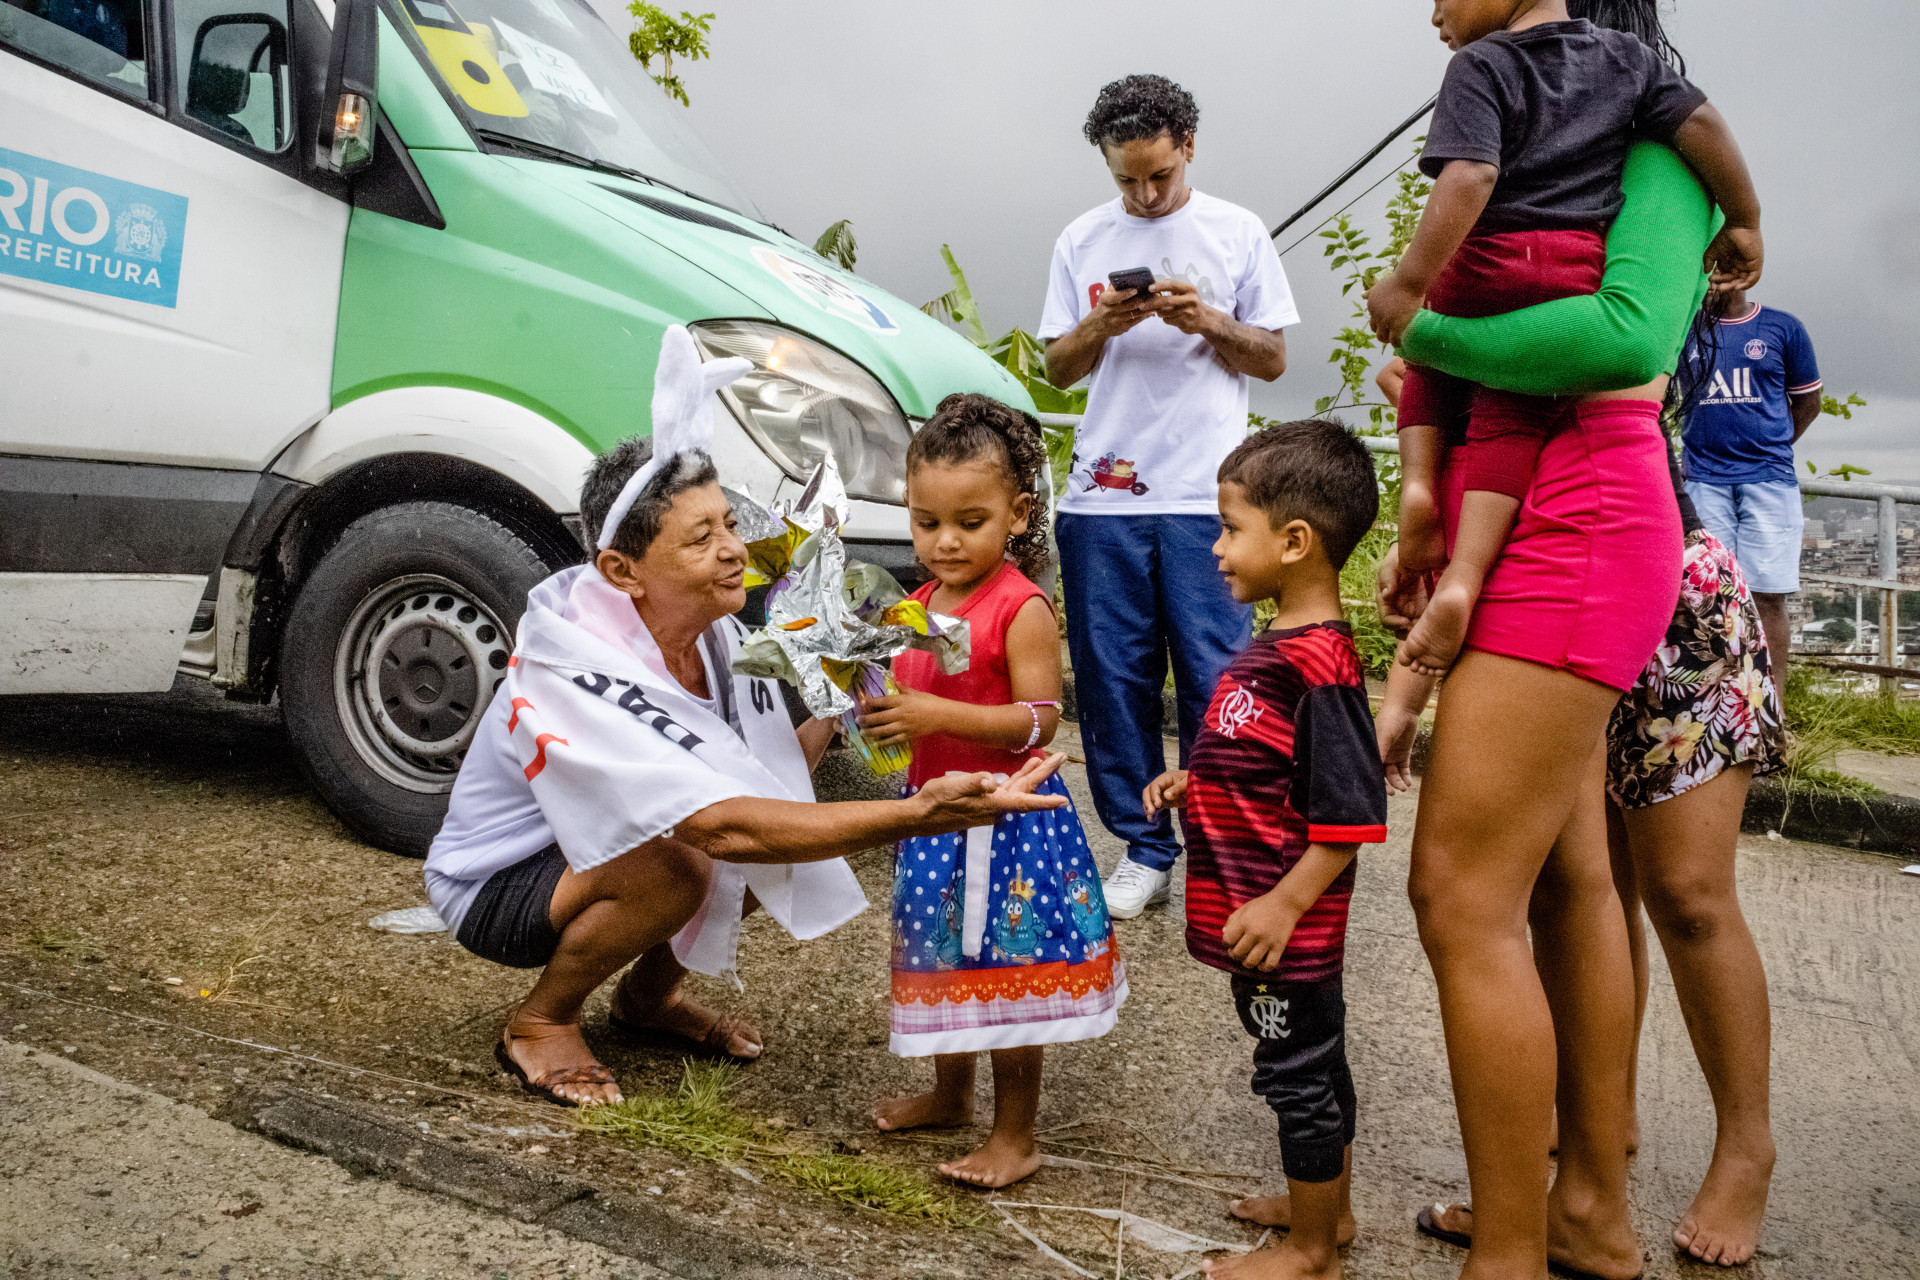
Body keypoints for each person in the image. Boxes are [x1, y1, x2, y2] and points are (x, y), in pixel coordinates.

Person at [1378, 4, 1789, 1267]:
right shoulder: (1526, 125)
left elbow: (1618, 337)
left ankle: (1716, 1156)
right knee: (1568, 883)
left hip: (1632, 538)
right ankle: (1578, 1192)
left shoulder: (1649, 133)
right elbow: (1482, 337)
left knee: (1664, 888)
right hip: (1548, 515)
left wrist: (1418, 322)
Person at [423, 328, 1067, 1108]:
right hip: (500, 885)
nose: (737, 550)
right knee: (692, 861)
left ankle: (647, 999)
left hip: (597, 852)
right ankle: (541, 1020)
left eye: (729, 522)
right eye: (703, 538)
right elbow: (722, 826)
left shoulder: (716, 630)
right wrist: (916, 815)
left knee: (779, 839)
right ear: (623, 572)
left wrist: (835, 704)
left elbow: (765, 781)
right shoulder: (575, 664)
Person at [1367, 0, 1762, 680]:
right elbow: (1702, 119)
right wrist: (1748, 216)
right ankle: (1457, 562)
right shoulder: (1628, 72)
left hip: (1585, 527)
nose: (1433, 10)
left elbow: (1622, 343)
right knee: (1510, 401)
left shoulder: (1485, 67)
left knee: (1448, 360)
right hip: (1564, 275)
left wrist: (1414, 308)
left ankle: (1419, 486)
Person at [1039, 73, 1299, 918]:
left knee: (1218, 679)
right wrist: (1100, 326)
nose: (1144, 195)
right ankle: (1144, 848)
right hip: (1100, 498)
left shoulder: (1239, 231)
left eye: (1158, 175)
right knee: (1111, 681)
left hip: (1208, 497)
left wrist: (1209, 322)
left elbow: (1272, 358)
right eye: (1126, 179)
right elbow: (1056, 367)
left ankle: (1223, 845)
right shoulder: (1079, 236)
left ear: (1188, 146)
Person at [1143, 420, 1388, 1280]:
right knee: (1314, 1067)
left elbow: (1350, 815)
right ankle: (1329, 1205)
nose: (1215, 547)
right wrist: (1192, 785)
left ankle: (1310, 1249)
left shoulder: (1317, 667)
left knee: (1298, 1077)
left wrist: (1284, 904)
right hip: (1260, 922)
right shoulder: (1278, 646)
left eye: (1229, 527)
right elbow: (1266, 767)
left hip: (1284, 932)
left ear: (1294, 542)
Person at [859, 394, 1122, 1189]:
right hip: (937, 817)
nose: (943, 541)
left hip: (1008, 825)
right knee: (944, 959)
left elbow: (1042, 721)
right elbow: (895, 699)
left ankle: (1016, 1135)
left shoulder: (1021, 606)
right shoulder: (914, 608)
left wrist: (936, 712)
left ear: (1018, 514)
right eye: (925, 521)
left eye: (969, 521)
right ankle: (949, 1095)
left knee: (1008, 980)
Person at [1678, 288, 1824, 667]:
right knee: (1708, 596)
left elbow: (1808, 402)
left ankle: (1772, 716)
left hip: (1769, 480)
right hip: (1703, 479)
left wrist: (1771, 447)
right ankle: (1722, 708)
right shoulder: (1681, 328)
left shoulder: (1782, 327)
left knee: (1768, 596)